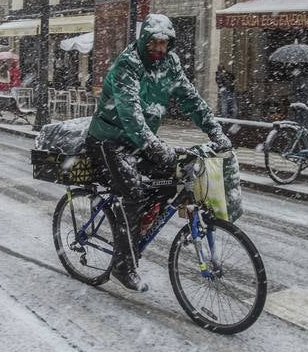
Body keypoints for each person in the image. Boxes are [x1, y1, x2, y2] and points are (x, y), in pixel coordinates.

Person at [86, 14, 231, 292]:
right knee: (133, 193)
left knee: (169, 184)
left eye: (165, 44)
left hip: (141, 141)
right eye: (154, 43)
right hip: (109, 140)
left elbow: (191, 100)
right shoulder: (128, 65)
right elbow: (131, 116)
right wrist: (156, 147)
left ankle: (134, 233)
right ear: (144, 41)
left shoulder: (170, 64)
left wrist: (216, 131)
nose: (159, 49)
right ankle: (122, 264)